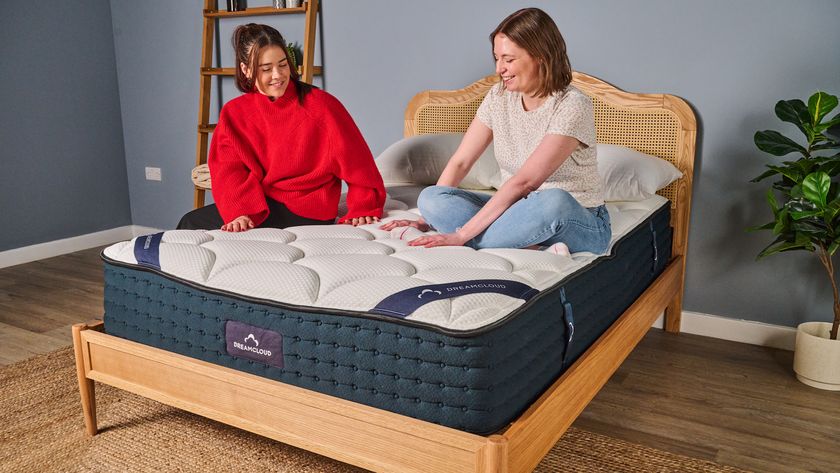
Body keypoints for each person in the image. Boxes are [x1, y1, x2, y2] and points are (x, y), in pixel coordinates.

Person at [381, 8, 610, 254]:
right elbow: (461, 161)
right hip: (515, 210)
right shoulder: (498, 96)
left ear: (540, 57)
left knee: (554, 200)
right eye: (497, 58)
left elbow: (525, 182)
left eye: (509, 60)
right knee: (431, 198)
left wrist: (461, 235)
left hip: (579, 220)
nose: (499, 69)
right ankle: (526, 244)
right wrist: (426, 220)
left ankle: (494, 241)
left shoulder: (572, 105)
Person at [178, 24, 385, 232]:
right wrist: (239, 211)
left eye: (283, 65)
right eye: (266, 69)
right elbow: (228, 169)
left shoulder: (322, 106)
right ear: (246, 70)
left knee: (191, 224)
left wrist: (363, 206)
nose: (277, 75)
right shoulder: (234, 113)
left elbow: (358, 162)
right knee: (190, 222)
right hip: (260, 202)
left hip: (308, 209)